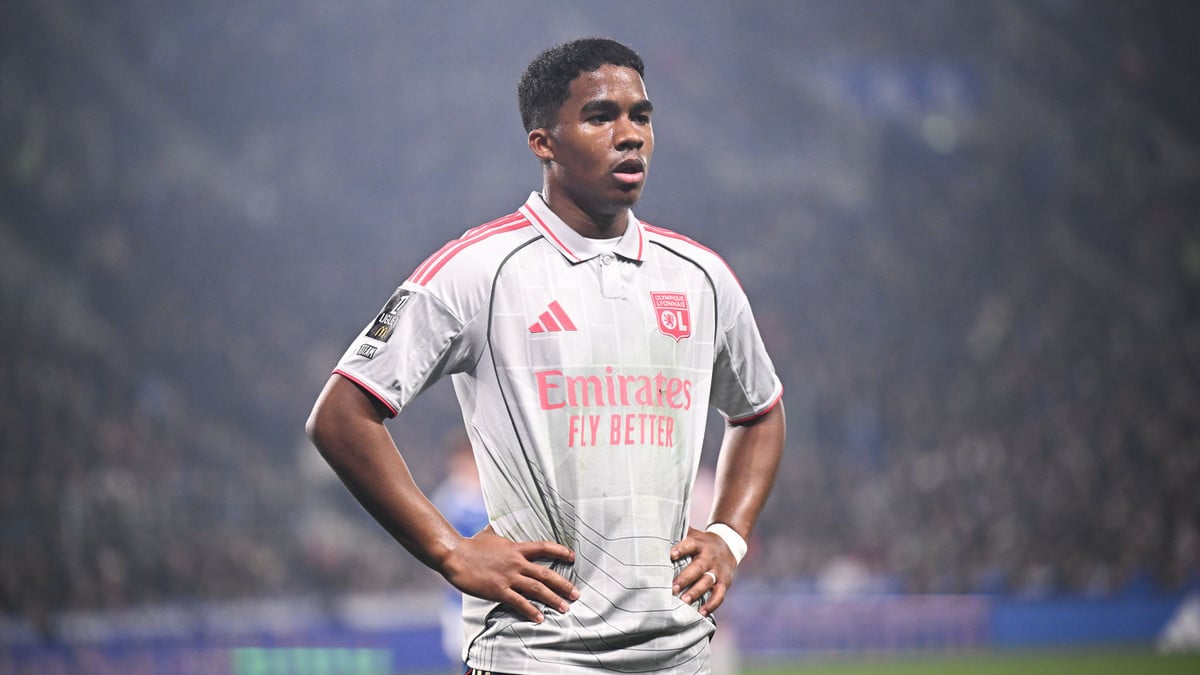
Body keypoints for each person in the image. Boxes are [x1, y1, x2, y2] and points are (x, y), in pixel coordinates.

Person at [306, 37, 785, 674]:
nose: (630, 135)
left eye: (641, 116)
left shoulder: (701, 277)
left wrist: (727, 535)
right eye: (600, 116)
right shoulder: (479, 270)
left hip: (679, 655)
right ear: (544, 143)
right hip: (534, 656)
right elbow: (341, 415)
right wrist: (450, 551)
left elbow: (760, 411)